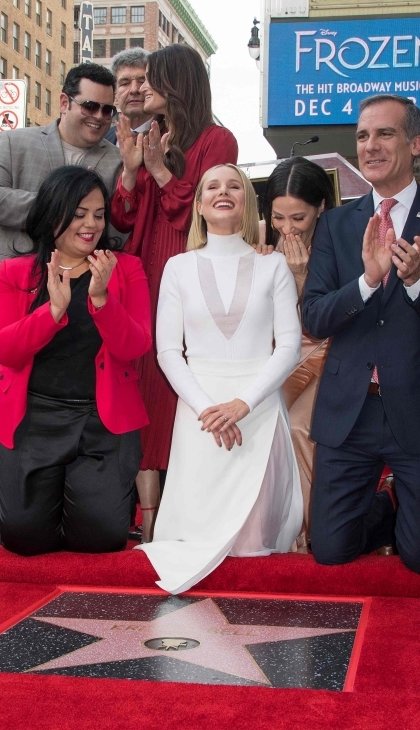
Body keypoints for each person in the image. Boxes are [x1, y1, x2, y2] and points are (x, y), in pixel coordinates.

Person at [303, 95, 420, 574]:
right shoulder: (337, 224)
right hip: (350, 412)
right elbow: (315, 317)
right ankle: (385, 507)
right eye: (363, 136)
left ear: (416, 143)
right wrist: (365, 282)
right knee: (330, 551)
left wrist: (416, 280)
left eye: (385, 134)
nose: (370, 146)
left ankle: (411, 512)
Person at [0, 62, 123, 544]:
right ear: (64, 101)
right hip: (14, 289)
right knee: (7, 403)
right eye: (90, 105)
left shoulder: (117, 160)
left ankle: (64, 507)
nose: (99, 116)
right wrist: (58, 204)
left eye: (108, 108)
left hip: (85, 297)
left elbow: (118, 229)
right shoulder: (14, 142)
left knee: (74, 402)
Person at [137, 164, 302, 595]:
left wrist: (241, 405)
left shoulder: (274, 266)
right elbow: (169, 351)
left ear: (247, 202)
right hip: (198, 413)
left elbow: (288, 347)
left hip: (259, 411)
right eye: (213, 186)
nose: (223, 192)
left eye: (234, 185)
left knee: (251, 546)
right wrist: (208, 408)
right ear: (200, 205)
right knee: (196, 539)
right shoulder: (178, 267)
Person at [0, 166, 151, 557]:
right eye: (79, 213)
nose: (91, 224)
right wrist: (51, 312)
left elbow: (135, 346)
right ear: (53, 213)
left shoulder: (126, 269)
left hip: (101, 424)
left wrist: (102, 300)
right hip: (32, 420)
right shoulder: (15, 271)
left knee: (102, 540)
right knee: (24, 540)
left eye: (99, 214)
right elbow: (2, 349)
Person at [111, 44, 239, 543]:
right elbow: (122, 219)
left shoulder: (216, 140)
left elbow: (202, 212)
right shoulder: (150, 137)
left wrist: (161, 169)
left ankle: (186, 512)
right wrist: (129, 169)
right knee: (145, 396)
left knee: (177, 396)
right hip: (146, 277)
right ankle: (149, 521)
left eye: (153, 79)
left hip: (189, 274)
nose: (143, 88)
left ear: (178, 83)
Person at [256, 157, 335, 552]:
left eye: (298, 219)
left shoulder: (338, 246)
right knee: (265, 429)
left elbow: (321, 322)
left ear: (321, 207)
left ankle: (307, 533)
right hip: (275, 358)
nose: (288, 229)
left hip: (324, 354)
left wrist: (301, 278)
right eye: (279, 218)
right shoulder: (261, 247)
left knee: (300, 432)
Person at [104, 48, 151, 145]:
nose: (134, 90)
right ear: (115, 95)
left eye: (142, 81)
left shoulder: (174, 138)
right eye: (125, 83)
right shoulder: (102, 139)